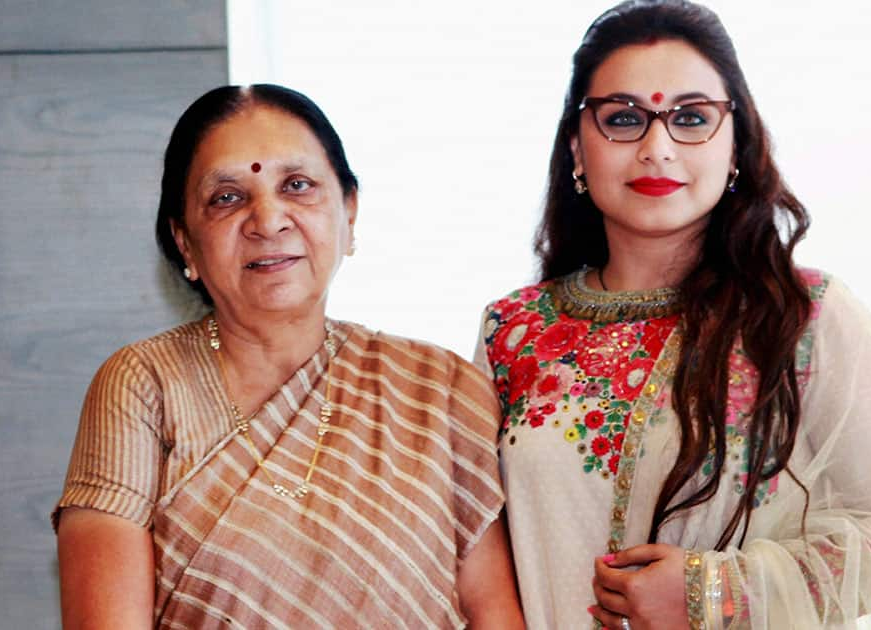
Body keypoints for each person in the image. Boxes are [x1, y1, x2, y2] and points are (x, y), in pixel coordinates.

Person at [475, 1, 871, 628]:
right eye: (622, 119)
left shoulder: (801, 317)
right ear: (577, 151)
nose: (657, 148)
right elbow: (482, 556)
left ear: (735, 146)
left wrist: (716, 590)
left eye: (691, 118)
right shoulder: (513, 330)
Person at [53, 84, 524, 629]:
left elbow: (492, 613)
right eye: (227, 197)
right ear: (185, 243)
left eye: (297, 186)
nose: (268, 220)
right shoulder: (143, 385)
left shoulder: (437, 389)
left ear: (349, 212)